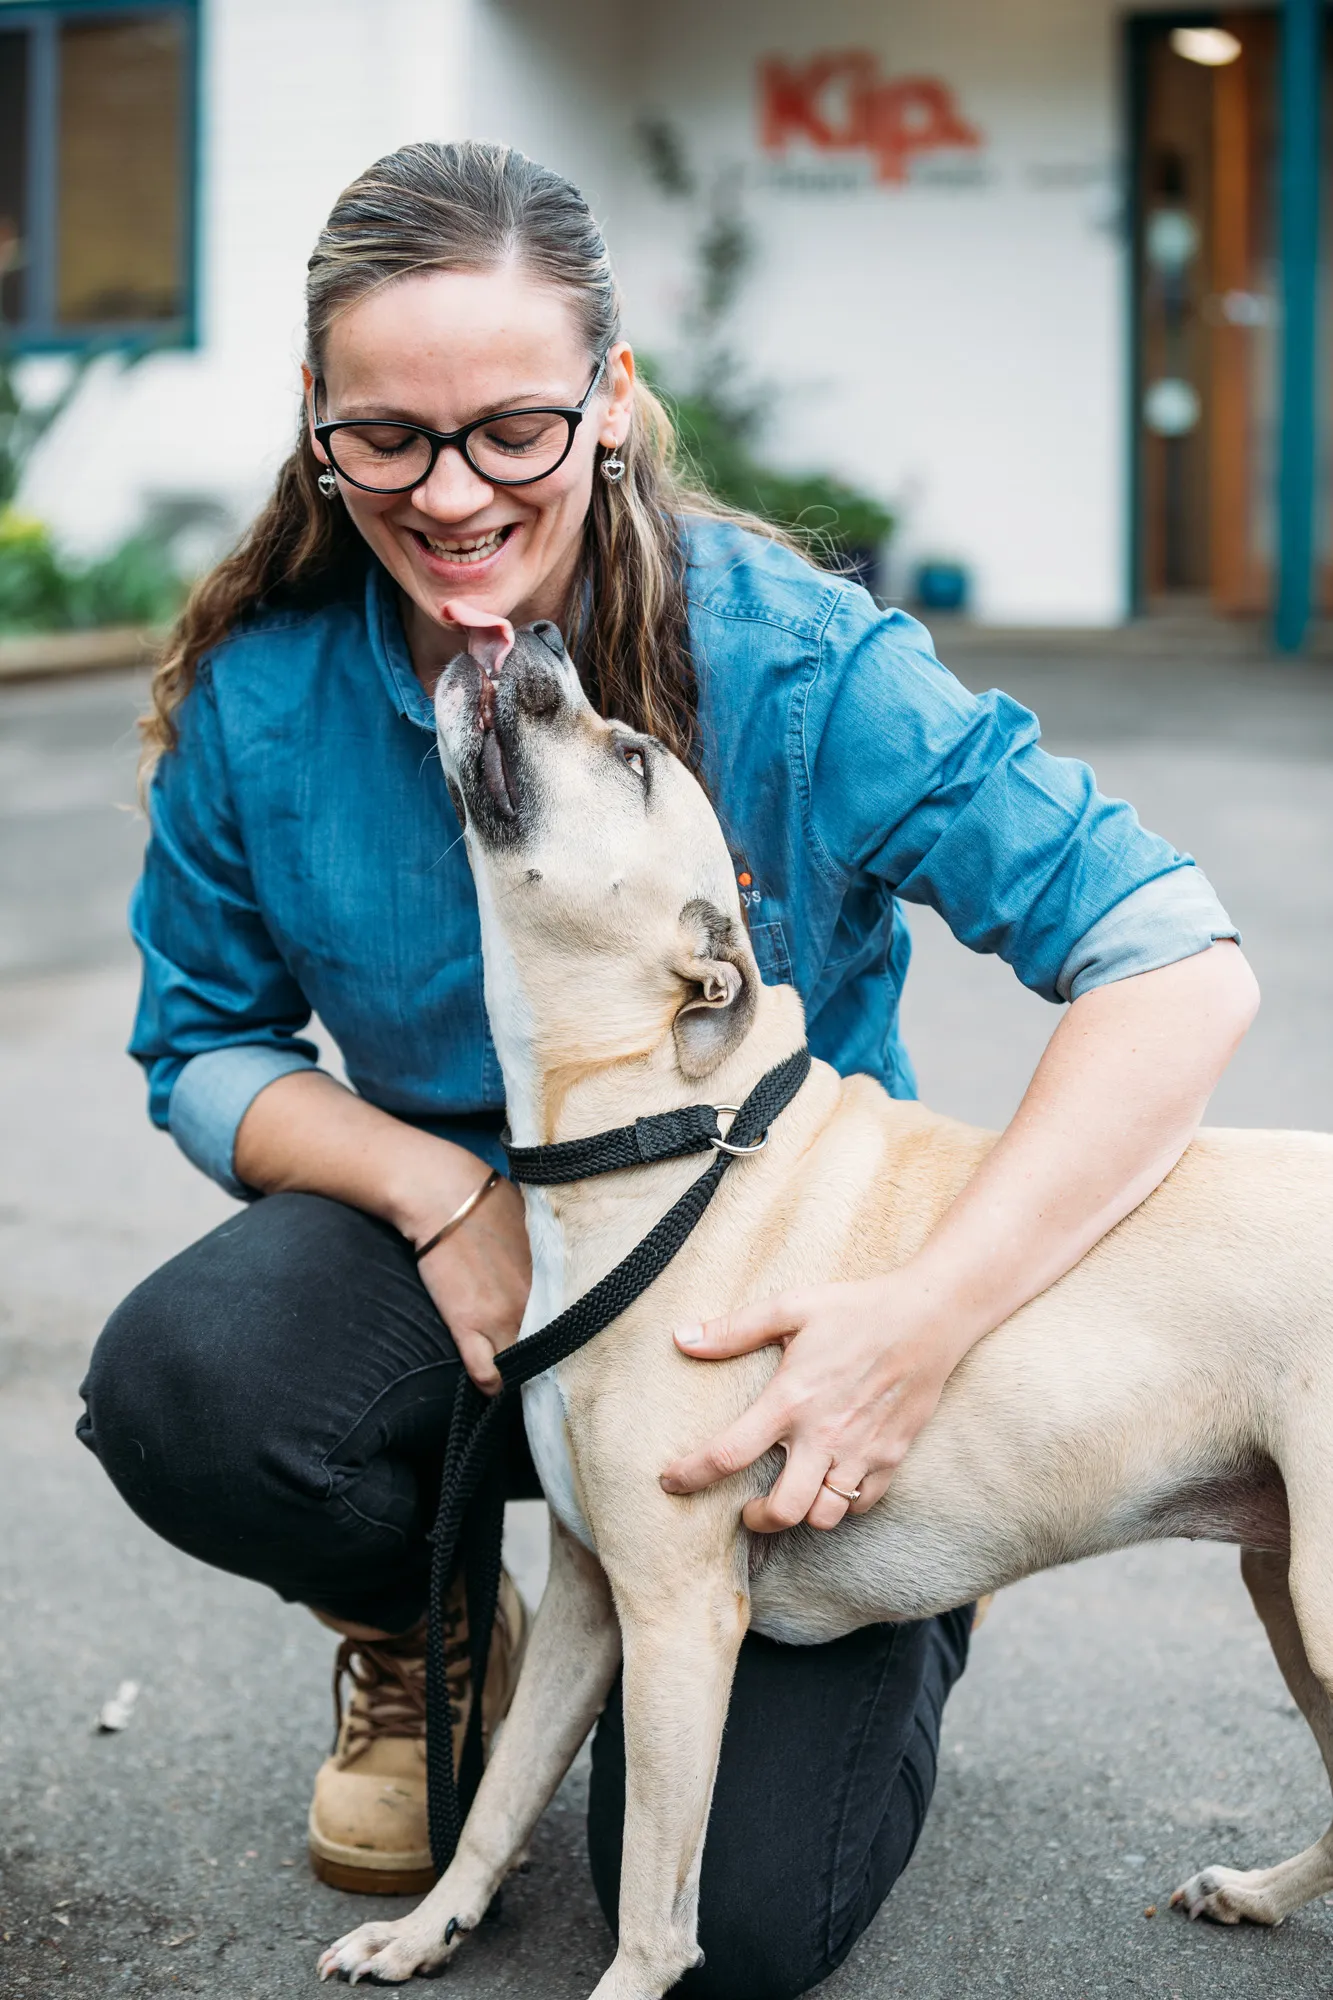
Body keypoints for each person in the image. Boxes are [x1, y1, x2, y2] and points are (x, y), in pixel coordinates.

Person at [78, 141, 1258, 1999]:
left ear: (613, 404)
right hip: (465, 1259)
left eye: (514, 430)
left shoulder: (792, 662)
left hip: (788, 1330)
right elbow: (203, 1050)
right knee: (193, 1388)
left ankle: (875, 1600)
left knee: (741, 1936)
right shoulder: (265, 699)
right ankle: (431, 1622)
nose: (453, 494)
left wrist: (921, 1327)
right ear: (317, 424)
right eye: (389, 436)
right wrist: (436, 1186)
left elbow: (1173, 967)